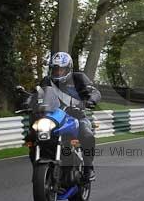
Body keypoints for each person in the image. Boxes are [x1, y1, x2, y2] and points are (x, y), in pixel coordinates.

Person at [34, 52, 101, 182]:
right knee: (34, 133)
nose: (58, 72)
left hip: (77, 116)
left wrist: (90, 101)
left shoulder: (79, 78)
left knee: (87, 135)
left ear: (68, 68)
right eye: (55, 69)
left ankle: (88, 168)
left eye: (61, 69)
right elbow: (36, 95)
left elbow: (94, 91)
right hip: (54, 117)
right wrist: (29, 102)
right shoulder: (47, 80)